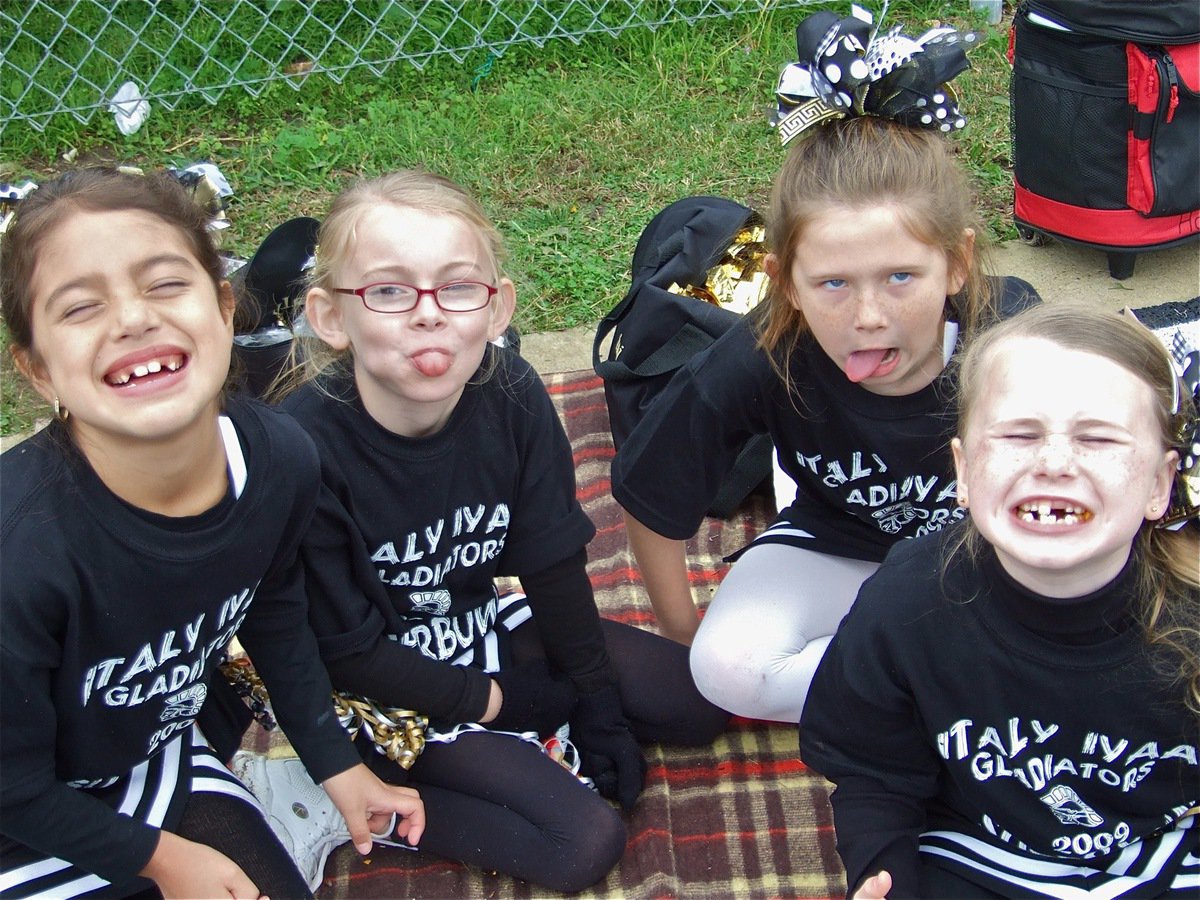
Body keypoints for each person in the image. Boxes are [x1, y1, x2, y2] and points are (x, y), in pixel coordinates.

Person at [258, 169, 728, 893]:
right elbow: (347, 652)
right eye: (387, 290)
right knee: (581, 842)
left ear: (497, 305)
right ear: (329, 316)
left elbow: (550, 563)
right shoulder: (301, 453)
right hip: (373, 680)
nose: (428, 315)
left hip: (477, 622)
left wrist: (594, 699)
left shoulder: (512, 395)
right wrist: (502, 702)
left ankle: (532, 730)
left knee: (697, 703)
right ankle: (332, 789)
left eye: (456, 287)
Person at [0, 168, 424, 900]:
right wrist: (163, 861)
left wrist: (334, 762)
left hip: (147, 760)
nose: (132, 319)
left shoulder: (277, 461)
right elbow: (11, 786)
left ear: (224, 306)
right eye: (79, 307)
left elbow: (274, 608)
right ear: (38, 370)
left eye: (165, 284)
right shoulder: (21, 554)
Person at [612, 101, 1040, 721]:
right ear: (784, 281)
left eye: (899, 276)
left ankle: (923, 681)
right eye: (833, 284)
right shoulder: (763, 356)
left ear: (956, 264)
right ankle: (953, 682)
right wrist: (681, 634)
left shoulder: (1015, 338)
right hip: (837, 549)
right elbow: (651, 496)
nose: (868, 316)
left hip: (986, 559)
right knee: (726, 669)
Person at [799, 302, 1200, 898]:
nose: (1054, 463)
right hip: (981, 853)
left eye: (1097, 438)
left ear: (1160, 484)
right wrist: (881, 871)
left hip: (1168, 849)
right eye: (1018, 434)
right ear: (963, 470)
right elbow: (874, 772)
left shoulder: (1188, 616)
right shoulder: (908, 601)